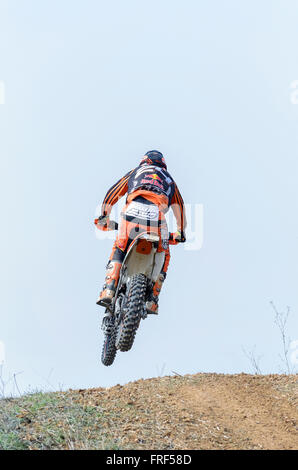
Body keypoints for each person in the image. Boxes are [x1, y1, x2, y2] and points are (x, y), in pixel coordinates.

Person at [94, 150, 186, 314]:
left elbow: (113, 192)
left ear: (144, 161)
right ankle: (152, 299)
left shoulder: (136, 172)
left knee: (120, 247)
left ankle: (108, 289)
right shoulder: (169, 180)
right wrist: (180, 231)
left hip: (132, 211)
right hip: (156, 218)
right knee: (164, 254)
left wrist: (104, 216)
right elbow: (180, 207)